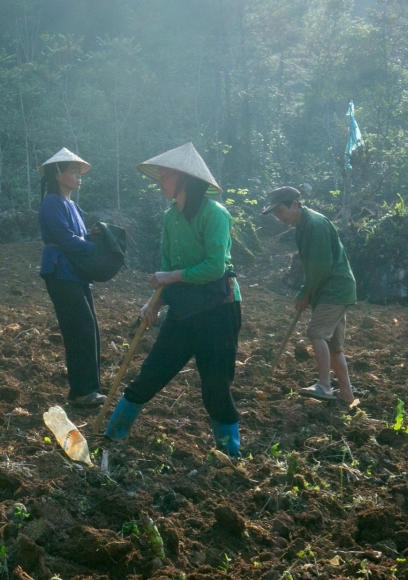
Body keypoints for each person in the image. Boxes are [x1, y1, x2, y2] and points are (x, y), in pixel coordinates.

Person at [103, 143, 244, 456]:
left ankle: (230, 454)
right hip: (184, 307)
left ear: (184, 179)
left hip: (219, 308)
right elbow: (167, 269)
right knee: (152, 372)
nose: (160, 182)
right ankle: (112, 434)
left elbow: (214, 267)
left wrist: (171, 278)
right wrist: (154, 303)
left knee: (215, 386)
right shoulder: (170, 217)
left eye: (164, 176)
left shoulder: (215, 214)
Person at [264, 187, 359, 406]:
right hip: (329, 289)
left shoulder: (315, 225)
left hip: (334, 288)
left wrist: (304, 292)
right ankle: (346, 393)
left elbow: (321, 267)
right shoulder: (302, 226)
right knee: (334, 346)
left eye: (281, 210)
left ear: (295, 204)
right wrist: (309, 291)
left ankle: (324, 385)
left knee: (316, 333)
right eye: (276, 213)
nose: (280, 217)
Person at [38, 148, 105, 407]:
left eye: (80, 172)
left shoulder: (72, 205)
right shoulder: (51, 203)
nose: (79, 177)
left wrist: (94, 236)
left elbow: (79, 236)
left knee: (90, 329)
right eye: (73, 172)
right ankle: (82, 391)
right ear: (58, 175)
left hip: (75, 272)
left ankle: (89, 388)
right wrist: (94, 249)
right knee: (80, 328)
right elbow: (66, 239)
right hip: (60, 271)